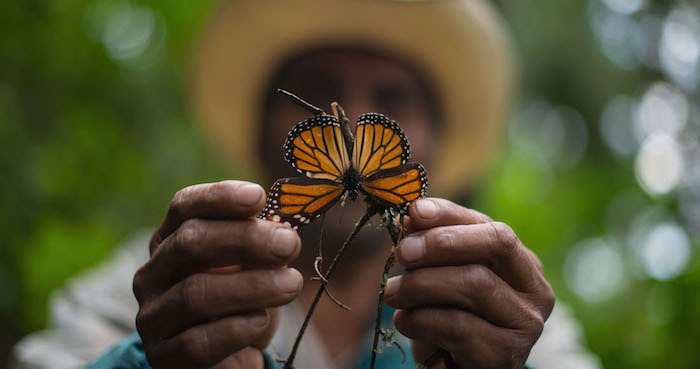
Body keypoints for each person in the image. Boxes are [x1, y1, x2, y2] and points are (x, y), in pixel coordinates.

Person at [12, 0, 603, 368]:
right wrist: (150, 362)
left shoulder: (511, 318)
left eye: (392, 99)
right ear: (265, 134)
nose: (345, 120)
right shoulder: (156, 285)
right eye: (317, 92)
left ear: (432, 149)